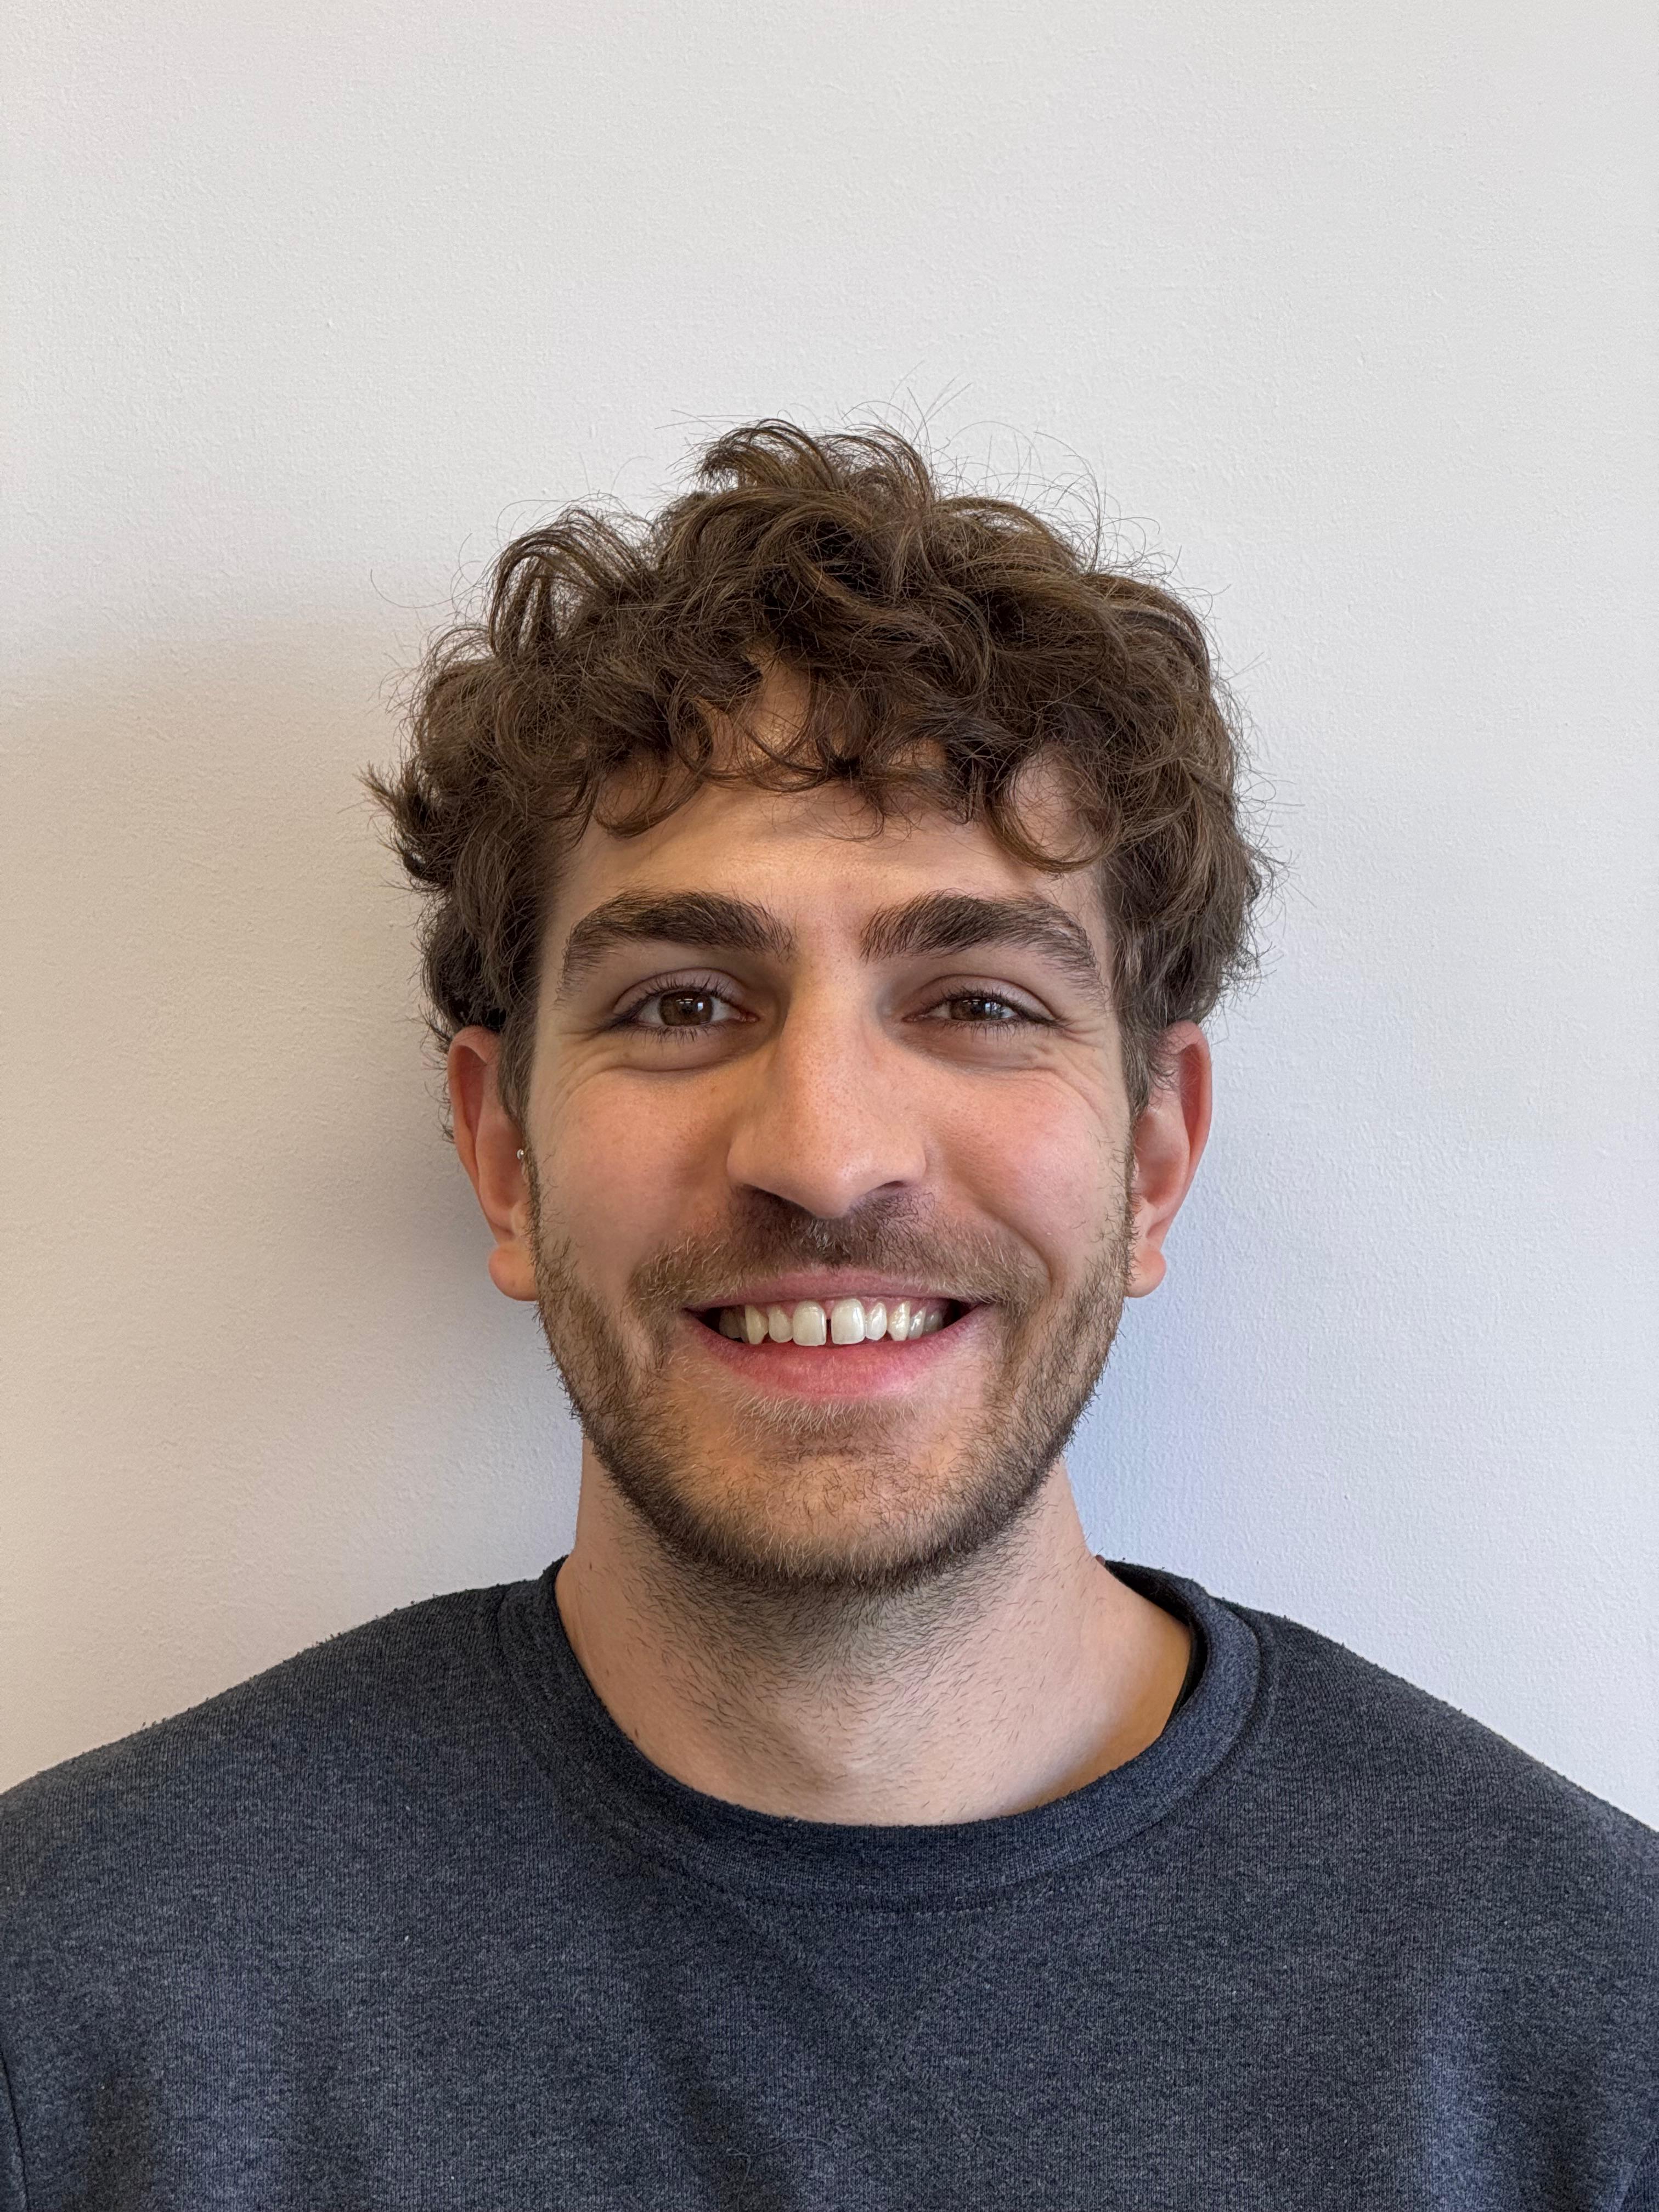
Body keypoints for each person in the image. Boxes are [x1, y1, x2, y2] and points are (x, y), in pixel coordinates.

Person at [1, 421, 1653, 2210]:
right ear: (504, 1156)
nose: (825, 1153)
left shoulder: (1596, 2040)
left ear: (1155, 1158)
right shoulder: (69, 2009)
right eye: (683, 1001)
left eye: (979, 1003)